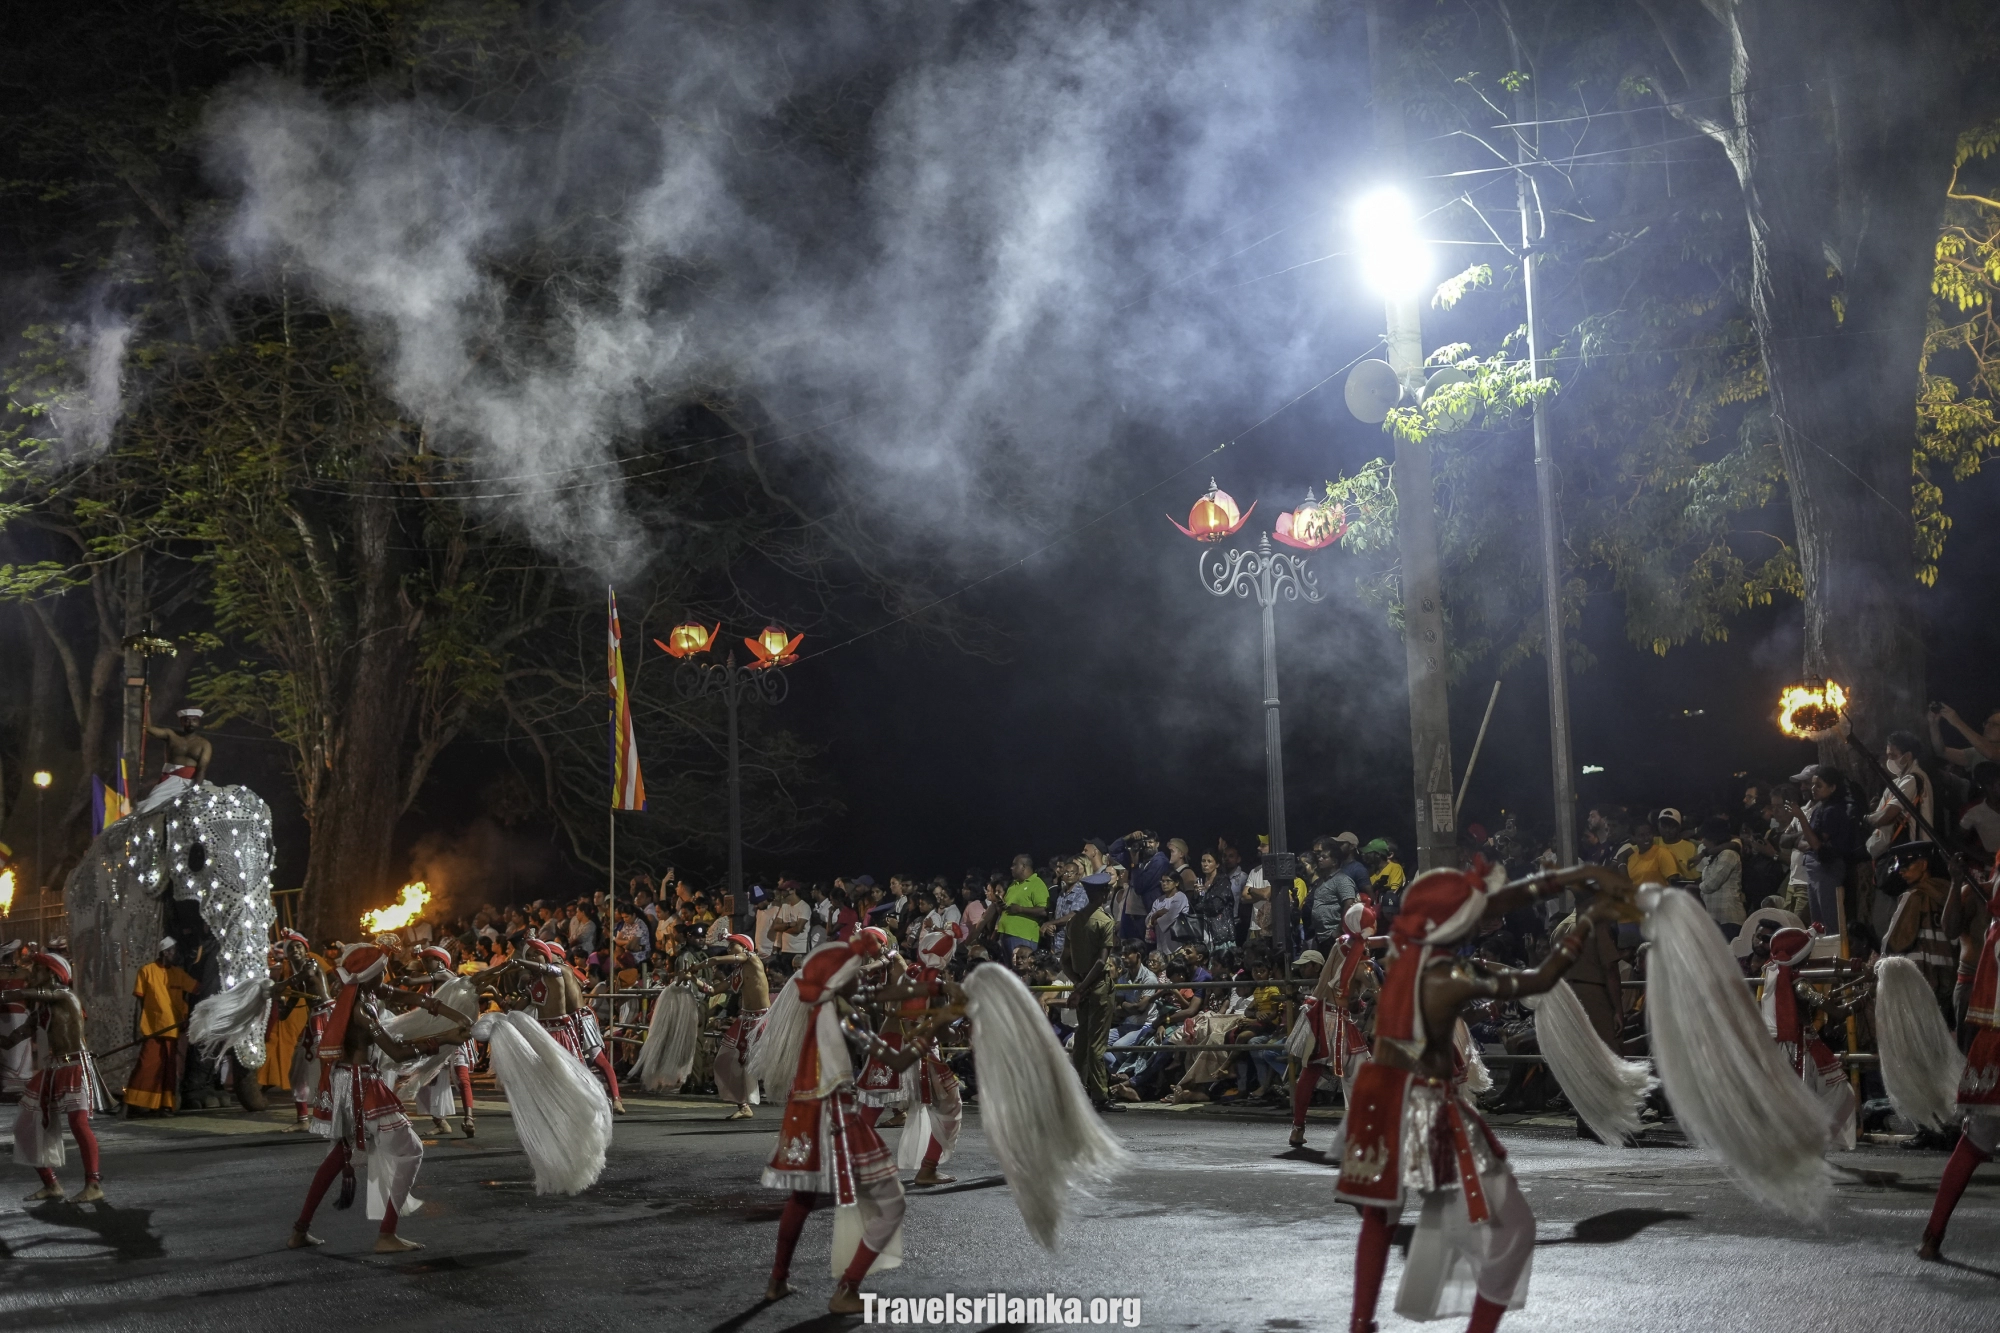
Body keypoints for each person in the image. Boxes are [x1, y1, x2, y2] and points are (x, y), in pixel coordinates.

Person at [1339, 865, 1623, 1333]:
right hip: (1425, 1105)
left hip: (1381, 1094)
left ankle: (1361, 1323)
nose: (1482, 916)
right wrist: (1586, 924)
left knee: (1380, 1215)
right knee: (1514, 1228)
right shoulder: (1451, 972)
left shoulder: (1402, 954)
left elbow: (1491, 907)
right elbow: (1540, 980)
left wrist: (1570, 875)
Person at [760, 931, 945, 1314]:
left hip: (806, 1116)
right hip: (837, 1120)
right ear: (837, 979)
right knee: (892, 1205)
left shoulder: (817, 1012)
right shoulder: (842, 1018)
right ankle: (847, 1289)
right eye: (852, 969)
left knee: (803, 1197)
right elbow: (894, 1060)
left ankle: (777, 1281)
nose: (859, 972)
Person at [290, 944, 466, 1252]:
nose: (386, 975)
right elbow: (396, 1052)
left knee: (338, 1157)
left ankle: (299, 1230)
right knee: (412, 1151)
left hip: (348, 1082)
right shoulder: (361, 1009)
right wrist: (444, 1038)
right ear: (368, 974)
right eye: (382, 970)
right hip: (361, 1086)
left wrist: (453, 1013)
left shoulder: (365, 994)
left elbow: (411, 997)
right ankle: (386, 1234)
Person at [1917, 874, 2000, 1261]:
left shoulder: (1995, 931)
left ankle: (1932, 1236)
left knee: (1971, 1146)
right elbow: (1950, 928)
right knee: (1970, 1146)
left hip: (1991, 1046)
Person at [2, 952, 106, 1202]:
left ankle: (93, 1185)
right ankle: (51, 1185)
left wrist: (7, 994)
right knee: (25, 1126)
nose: (31, 976)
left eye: (36, 970)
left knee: (78, 1124)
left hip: (74, 1067)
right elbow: (11, 1040)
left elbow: (31, 994)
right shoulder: (42, 1012)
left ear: (51, 974)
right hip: (53, 1070)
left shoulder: (65, 996)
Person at [1758, 926, 1857, 1150]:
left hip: (1790, 1043)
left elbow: (1825, 964)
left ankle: (1803, 1144)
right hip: (1803, 1046)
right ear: (1800, 956)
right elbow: (1837, 1013)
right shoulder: (1800, 983)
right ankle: (1811, 1143)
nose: (1811, 957)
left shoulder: (1774, 971)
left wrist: (1850, 967)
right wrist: (1861, 1000)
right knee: (1839, 1095)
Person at [1291, 903, 1378, 1150]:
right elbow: (1343, 989)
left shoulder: (1342, 941)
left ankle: (1298, 1128)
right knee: (1359, 1073)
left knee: (1310, 1072)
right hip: (1334, 1018)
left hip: (1317, 1010)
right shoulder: (1355, 953)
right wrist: (1360, 1000)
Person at [406, 945, 477, 1138]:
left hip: (454, 1032)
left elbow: (411, 981)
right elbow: (416, 999)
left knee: (461, 1077)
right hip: (439, 1034)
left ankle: (469, 1119)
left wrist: (409, 970)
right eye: (424, 960)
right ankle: (440, 1122)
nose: (425, 963)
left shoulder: (444, 975)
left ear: (440, 962)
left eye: (429, 960)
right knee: (425, 1077)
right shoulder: (433, 982)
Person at [1061, 871, 1118, 1111]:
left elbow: (1064, 960)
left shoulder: (1074, 920)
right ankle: (1100, 1096)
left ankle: (1077, 1091)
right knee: (1096, 1044)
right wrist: (1084, 987)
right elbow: (1100, 962)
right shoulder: (1104, 921)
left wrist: (1077, 984)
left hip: (1081, 984)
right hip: (1098, 987)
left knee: (1082, 1042)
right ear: (1104, 894)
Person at [1779, 766, 1861, 932]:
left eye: (1819, 785)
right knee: (1817, 923)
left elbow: (1815, 844)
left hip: (1826, 869)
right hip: (1814, 869)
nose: (1813, 789)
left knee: (1829, 919)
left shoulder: (1833, 811)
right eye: (1813, 785)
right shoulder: (1820, 808)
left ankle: (1836, 955)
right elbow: (1807, 840)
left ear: (1832, 787)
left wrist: (1801, 817)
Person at [124, 938, 197, 1115]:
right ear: (165, 952)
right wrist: (137, 1030)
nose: (176, 955)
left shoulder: (179, 974)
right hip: (153, 1030)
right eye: (173, 951)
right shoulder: (146, 971)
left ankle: (164, 1105)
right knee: (146, 1066)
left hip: (172, 1030)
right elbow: (139, 1004)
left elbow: (197, 989)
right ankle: (133, 1103)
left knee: (168, 1070)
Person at [1882, 843, 1957, 1011]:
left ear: (1923, 865)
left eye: (1905, 864)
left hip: (1919, 982)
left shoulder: (1913, 897)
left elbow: (1895, 943)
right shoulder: (1952, 896)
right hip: (1949, 983)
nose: (1900, 871)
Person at [711, 933, 770, 1120]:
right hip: (744, 1020)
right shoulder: (737, 972)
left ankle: (800, 1099)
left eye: (732, 945)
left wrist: (710, 961)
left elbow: (739, 957)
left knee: (772, 1063)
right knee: (724, 1061)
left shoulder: (753, 960)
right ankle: (743, 1105)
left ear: (745, 947)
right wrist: (692, 977)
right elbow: (713, 990)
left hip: (762, 1019)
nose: (729, 949)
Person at [138, 705, 213, 813]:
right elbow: (148, 728)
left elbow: (202, 769)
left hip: (193, 782)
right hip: (170, 781)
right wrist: (146, 704)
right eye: (187, 720)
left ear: (198, 722)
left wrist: (195, 790)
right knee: (149, 807)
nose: (191, 723)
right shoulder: (171, 735)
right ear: (181, 722)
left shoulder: (204, 744)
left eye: (194, 720)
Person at [1694, 816, 1746, 938]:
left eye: (1705, 837)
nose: (1703, 842)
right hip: (1715, 921)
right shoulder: (1716, 856)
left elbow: (1710, 885)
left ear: (1714, 837)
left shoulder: (1729, 855)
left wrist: (1694, 887)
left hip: (1730, 920)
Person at [995, 854, 1050, 955]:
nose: (1011, 868)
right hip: (1006, 934)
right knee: (1010, 970)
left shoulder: (1036, 884)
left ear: (1023, 866)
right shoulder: (1013, 884)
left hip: (1023, 936)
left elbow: (1044, 910)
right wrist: (1001, 906)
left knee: (1021, 969)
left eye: (1014, 865)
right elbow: (1009, 909)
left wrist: (1020, 909)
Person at [1928, 702, 2000, 769]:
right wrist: (1934, 724)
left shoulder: (1987, 752)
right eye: (1987, 723)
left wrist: (1957, 722)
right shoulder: (1977, 752)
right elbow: (1941, 752)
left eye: (1994, 724)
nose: (1987, 727)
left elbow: (1991, 754)